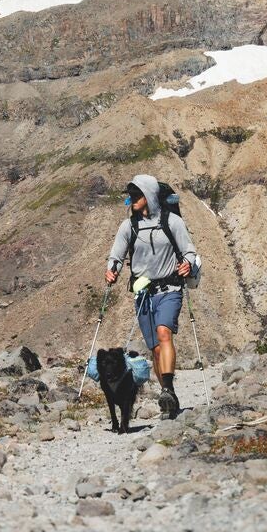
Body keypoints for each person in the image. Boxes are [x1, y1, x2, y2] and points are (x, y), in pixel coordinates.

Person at [105, 173, 200, 418]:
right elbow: (116, 255)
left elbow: (189, 251)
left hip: (170, 289)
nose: (131, 200)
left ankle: (167, 388)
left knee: (163, 333)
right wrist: (112, 269)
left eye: (136, 195)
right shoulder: (129, 226)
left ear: (148, 196)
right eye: (131, 196)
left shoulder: (173, 222)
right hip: (144, 295)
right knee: (156, 350)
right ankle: (168, 395)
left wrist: (187, 264)